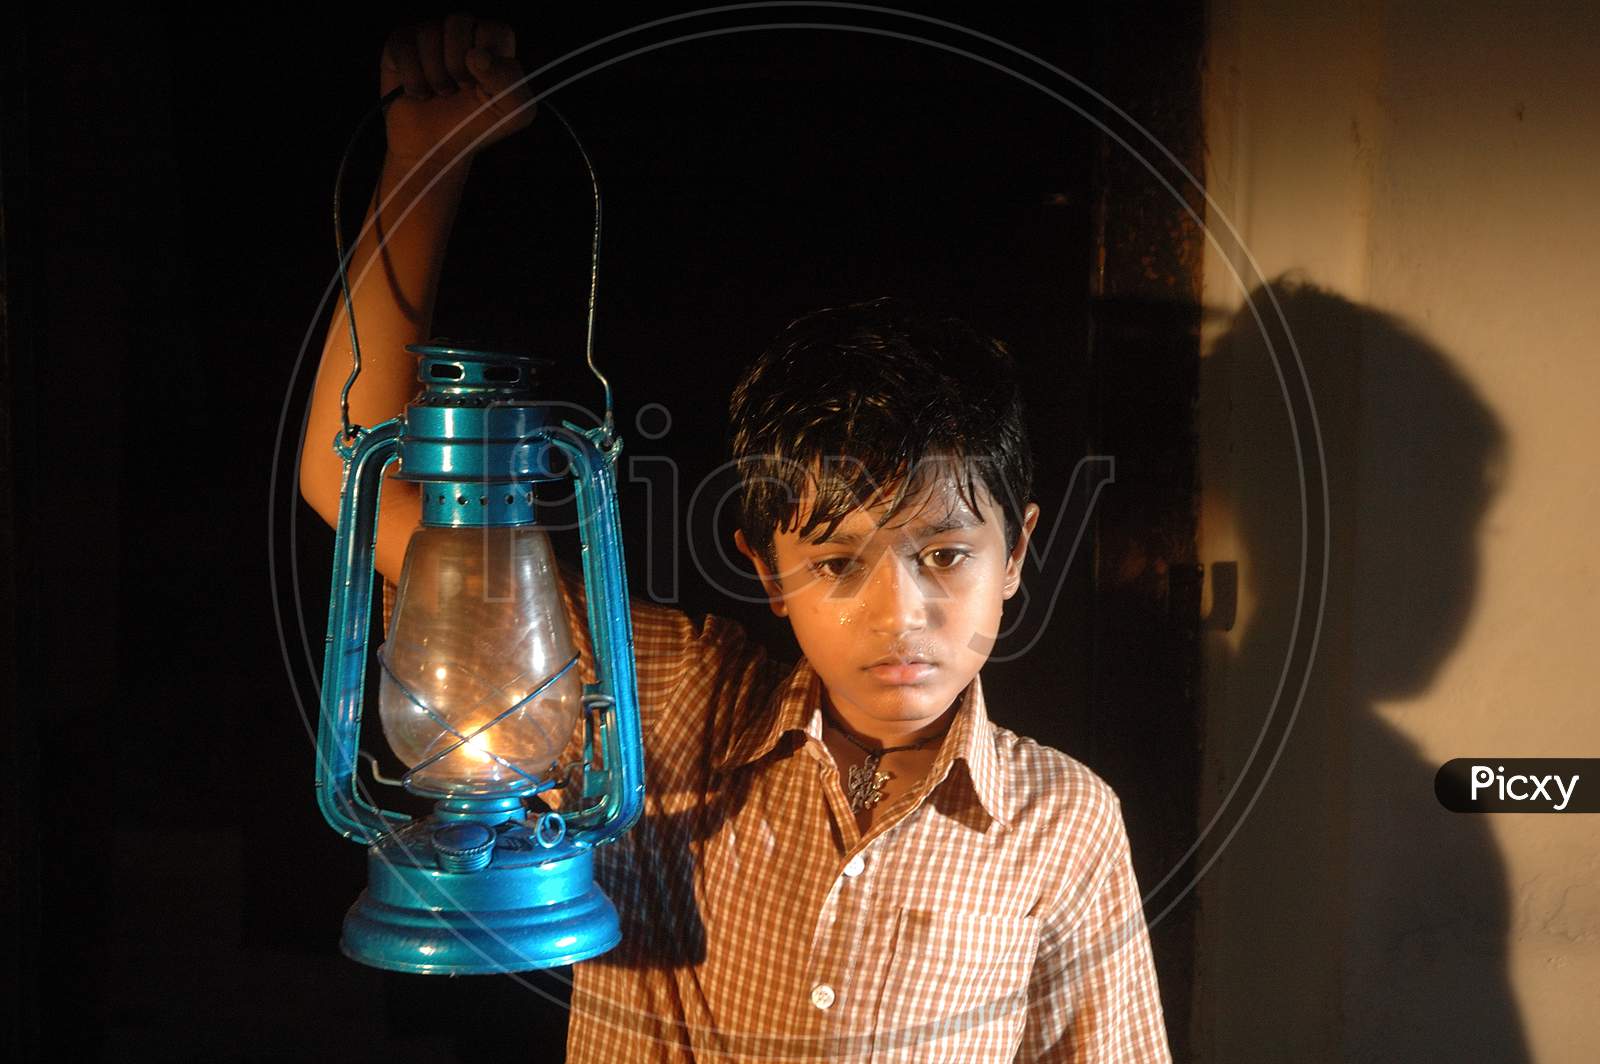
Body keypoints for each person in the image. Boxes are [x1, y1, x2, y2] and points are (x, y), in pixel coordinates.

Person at [300, 15, 1171, 1062]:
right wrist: (423, 165)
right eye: (838, 561)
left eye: (943, 553)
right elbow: (343, 478)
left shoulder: (1064, 826)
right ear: (763, 564)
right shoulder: (658, 705)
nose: (901, 613)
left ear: (1019, 550)